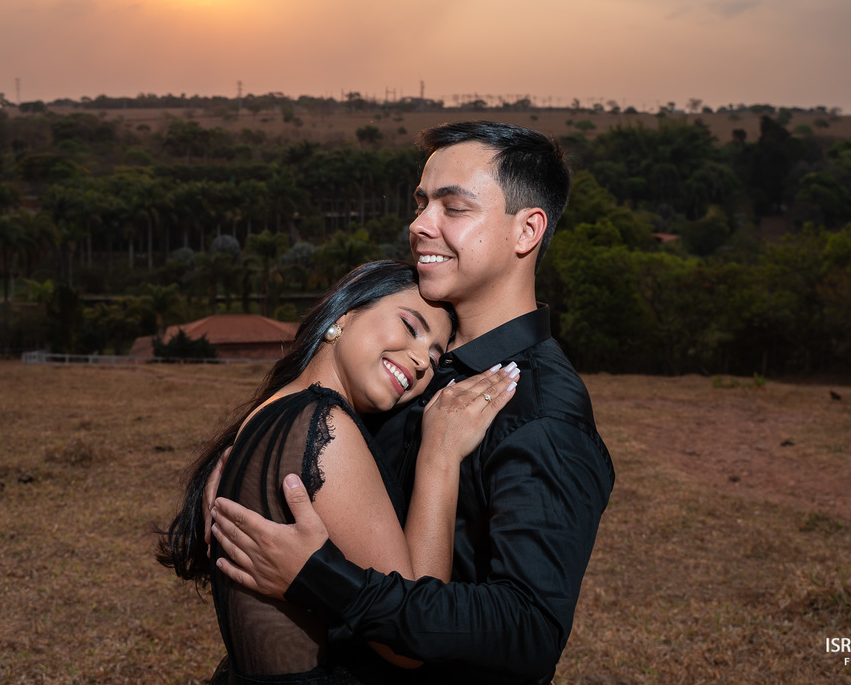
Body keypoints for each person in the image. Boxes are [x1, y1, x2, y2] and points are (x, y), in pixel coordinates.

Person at [211, 121, 616, 685]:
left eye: (454, 208)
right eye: (422, 203)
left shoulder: (541, 411)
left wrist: (318, 577)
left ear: (526, 231)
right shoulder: (419, 368)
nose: (420, 225)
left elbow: (528, 632)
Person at [159, 259, 522, 684]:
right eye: (410, 326)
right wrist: (439, 457)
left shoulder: (275, 411)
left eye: (435, 355)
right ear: (344, 316)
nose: (423, 362)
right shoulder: (324, 427)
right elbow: (411, 638)